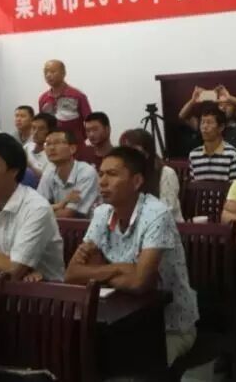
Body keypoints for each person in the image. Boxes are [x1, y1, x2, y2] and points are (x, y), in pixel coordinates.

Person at [65, 147, 199, 366]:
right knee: (74, 356)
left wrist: (98, 272)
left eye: (112, 174)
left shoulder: (156, 214)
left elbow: (139, 283)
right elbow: (72, 274)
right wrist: (120, 268)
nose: (102, 182)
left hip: (166, 327)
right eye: (101, 174)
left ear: (136, 181)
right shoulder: (102, 213)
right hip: (116, 322)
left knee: (123, 367)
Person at [0, 134, 65, 282]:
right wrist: (11, 269)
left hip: (46, 290)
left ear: (14, 170)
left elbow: (13, 271)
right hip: (3, 287)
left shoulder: (37, 208)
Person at [119, 128, 183, 223]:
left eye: (135, 151)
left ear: (147, 152)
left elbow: (167, 210)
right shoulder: (128, 175)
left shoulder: (166, 173)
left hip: (167, 226)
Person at [36, 129, 100, 218]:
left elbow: (67, 215)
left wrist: (43, 213)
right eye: (48, 144)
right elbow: (35, 208)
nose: (51, 148)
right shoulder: (49, 172)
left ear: (72, 149)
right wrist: (60, 204)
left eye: (57, 143)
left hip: (87, 224)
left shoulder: (86, 172)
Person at [179, 85, 236, 152]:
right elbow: (182, 116)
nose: (223, 107)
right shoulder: (207, 124)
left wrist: (230, 98)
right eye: (221, 105)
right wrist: (193, 101)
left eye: (228, 105)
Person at [39, 60, 92, 144]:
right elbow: (42, 124)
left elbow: (90, 121)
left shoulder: (77, 96)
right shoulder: (43, 99)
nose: (48, 75)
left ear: (63, 73)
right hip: (52, 146)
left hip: (75, 144)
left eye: (52, 71)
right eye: (46, 72)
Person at [187, 105, 236, 182]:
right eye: (202, 122)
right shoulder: (194, 155)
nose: (204, 127)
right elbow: (194, 186)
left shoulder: (233, 154)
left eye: (209, 122)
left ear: (221, 127)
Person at [25, 113, 56, 178]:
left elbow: (47, 180)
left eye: (41, 129)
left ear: (50, 131)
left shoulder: (53, 154)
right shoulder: (27, 147)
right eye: (33, 128)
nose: (35, 132)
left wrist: (29, 165)